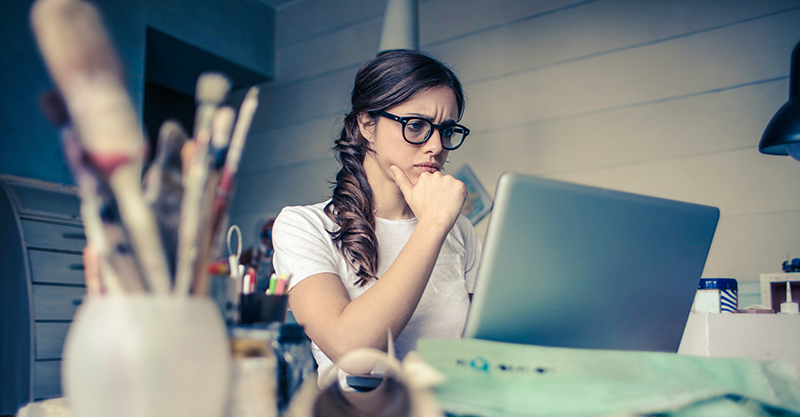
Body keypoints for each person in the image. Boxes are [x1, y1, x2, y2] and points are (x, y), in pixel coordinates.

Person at [271, 50, 481, 386]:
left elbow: (480, 352)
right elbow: (353, 352)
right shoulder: (303, 226)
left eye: (447, 130)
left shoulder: (461, 232)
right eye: (416, 125)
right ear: (367, 124)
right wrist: (431, 226)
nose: (436, 146)